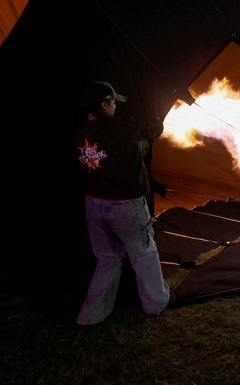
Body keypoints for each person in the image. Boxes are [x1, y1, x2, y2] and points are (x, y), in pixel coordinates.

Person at [74, 81, 173, 325]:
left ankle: (90, 315)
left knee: (107, 259)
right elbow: (155, 128)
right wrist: (158, 117)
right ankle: (156, 304)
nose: (115, 106)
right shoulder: (122, 127)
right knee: (144, 256)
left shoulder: (79, 132)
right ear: (104, 104)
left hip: (94, 205)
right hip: (126, 206)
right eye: (113, 102)